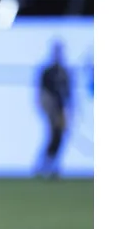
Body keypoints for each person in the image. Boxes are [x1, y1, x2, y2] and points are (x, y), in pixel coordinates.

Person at [36, 41, 72, 179]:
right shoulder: (48, 72)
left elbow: (68, 93)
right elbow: (42, 93)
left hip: (61, 108)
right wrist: (48, 109)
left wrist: (70, 109)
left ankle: (52, 166)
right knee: (53, 136)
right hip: (52, 109)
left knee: (60, 137)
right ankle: (44, 166)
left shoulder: (64, 72)